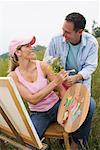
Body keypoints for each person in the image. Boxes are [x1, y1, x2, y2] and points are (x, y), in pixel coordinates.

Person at [44, 12, 98, 149]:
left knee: (89, 106)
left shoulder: (91, 43)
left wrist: (76, 78)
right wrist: (56, 82)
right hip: (57, 85)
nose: (63, 34)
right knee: (62, 106)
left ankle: (78, 141)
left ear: (80, 32)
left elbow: (90, 66)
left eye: (67, 32)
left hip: (79, 82)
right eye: (63, 30)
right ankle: (65, 133)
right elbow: (46, 64)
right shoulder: (55, 40)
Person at [8, 36, 68, 150]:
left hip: (56, 107)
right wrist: (54, 82)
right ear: (18, 52)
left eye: (31, 45)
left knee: (82, 112)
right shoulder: (13, 76)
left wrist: (67, 108)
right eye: (27, 46)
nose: (32, 48)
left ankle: (75, 142)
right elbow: (32, 99)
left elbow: (61, 89)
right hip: (39, 114)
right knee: (29, 145)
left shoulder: (43, 65)